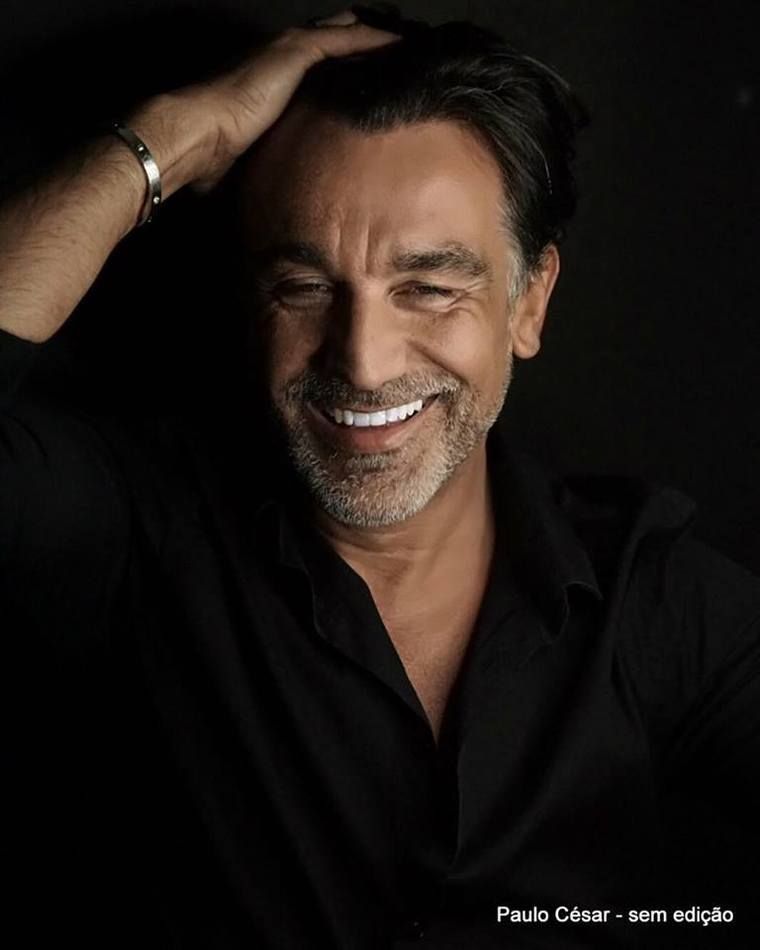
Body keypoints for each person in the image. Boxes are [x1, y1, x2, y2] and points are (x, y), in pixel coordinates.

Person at [2, 8, 758, 949]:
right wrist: (167, 141)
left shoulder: (649, 596)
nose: (362, 362)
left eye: (428, 289)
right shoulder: (136, 532)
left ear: (529, 302)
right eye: (306, 289)